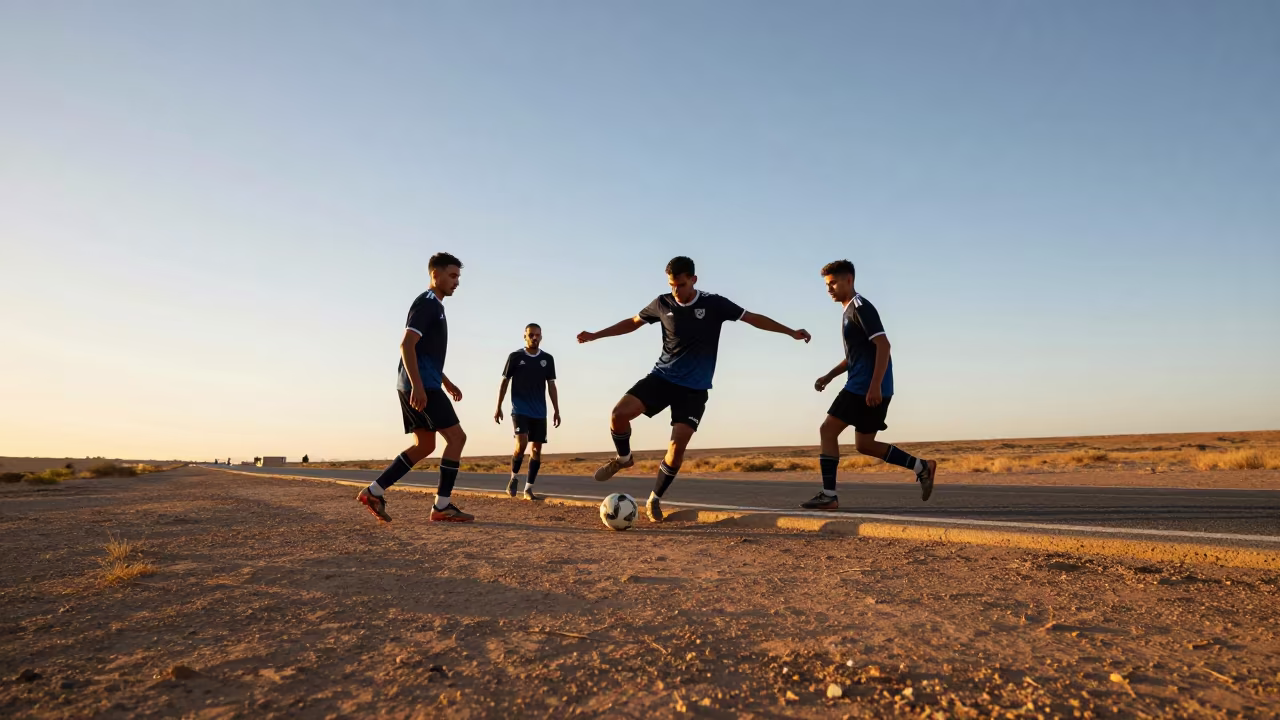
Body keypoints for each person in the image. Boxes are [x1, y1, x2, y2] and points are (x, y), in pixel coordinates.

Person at [578, 256, 810, 522]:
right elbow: (632, 322)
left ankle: (655, 498)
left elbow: (752, 318)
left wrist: (790, 332)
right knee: (618, 414)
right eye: (671, 284)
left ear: (693, 280)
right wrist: (596, 335)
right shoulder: (662, 303)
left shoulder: (714, 303)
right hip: (662, 377)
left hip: (694, 389)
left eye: (681, 284)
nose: (676, 290)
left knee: (677, 446)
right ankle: (624, 458)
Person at [801, 259, 936, 510]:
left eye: (833, 283)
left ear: (849, 280)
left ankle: (829, 495)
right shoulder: (848, 311)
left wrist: (874, 385)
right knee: (865, 444)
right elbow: (855, 356)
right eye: (827, 285)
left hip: (864, 387)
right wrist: (829, 376)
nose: (829, 289)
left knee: (827, 430)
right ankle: (922, 466)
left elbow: (883, 345)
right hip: (870, 387)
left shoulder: (860, 307)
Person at [357, 252, 474, 523]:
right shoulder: (428, 303)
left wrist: (446, 381)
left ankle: (374, 491)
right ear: (435, 274)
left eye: (458, 277)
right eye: (452, 276)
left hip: (419, 383)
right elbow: (407, 344)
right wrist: (419, 387)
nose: (456, 282)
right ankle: (441, 506)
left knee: (424, 445)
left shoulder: (436, 306)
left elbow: (424, 353)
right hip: (421, 386)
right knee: (457, 438)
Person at [495, 323, 561, 501]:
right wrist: (498, 406)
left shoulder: (548, 359)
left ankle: (528, 489)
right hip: (520, 409)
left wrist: (556, 410)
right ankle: (513, 478)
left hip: (539, 411)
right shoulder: (515, 357)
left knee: (537, 450)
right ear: (524, 336)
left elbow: (552, 385)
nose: (534, 338)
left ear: (541, 337)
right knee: (521, 444)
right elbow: (505, 382)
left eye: (537, 335)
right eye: (531, 335)